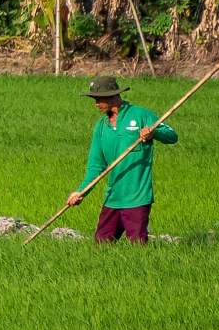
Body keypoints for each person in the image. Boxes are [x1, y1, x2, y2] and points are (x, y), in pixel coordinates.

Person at [67, 73, 176, 242]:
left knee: (138, 246)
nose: (96, 104)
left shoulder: (141, 115)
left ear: (113, 96)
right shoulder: (101, 127)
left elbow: (172, 135)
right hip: (113, 197)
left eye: (99, 99)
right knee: (101, 244)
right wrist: (81, 192)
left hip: (137, 198)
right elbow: (95, 167)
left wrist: (154, 132)